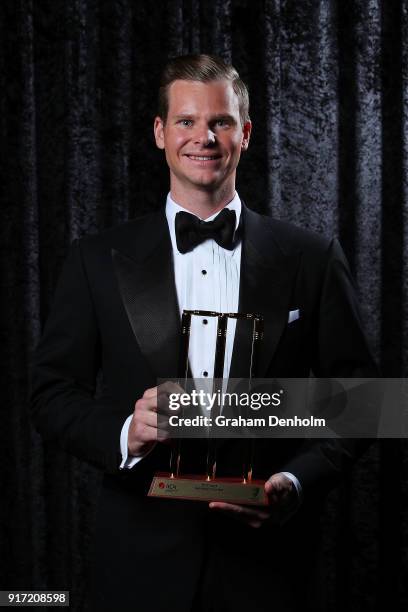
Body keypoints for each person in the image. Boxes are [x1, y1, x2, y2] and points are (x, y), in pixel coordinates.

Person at [30, 54, 377, 612]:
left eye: (220, 121)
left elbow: (363, 403)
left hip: (270, 567)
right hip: (138, 564)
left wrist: (293, 480)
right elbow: (49, 395)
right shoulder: (96, 260)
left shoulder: (312, 257)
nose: (204, 137)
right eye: (187, 121)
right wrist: (126, 430)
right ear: (160, 132)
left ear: (246, 133)